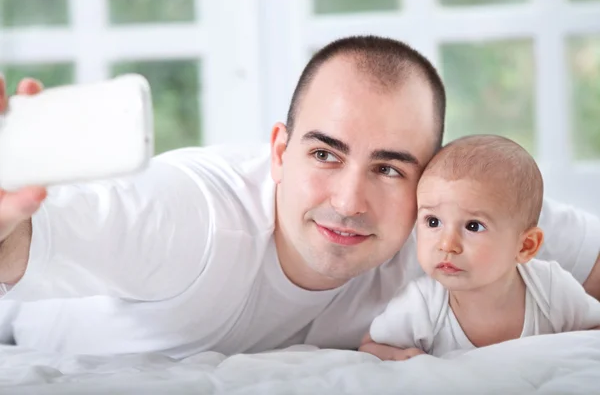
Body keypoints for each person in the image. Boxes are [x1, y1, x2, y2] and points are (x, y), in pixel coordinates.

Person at [0, 36, 598, 358]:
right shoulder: (192, 218)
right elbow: (21, 238)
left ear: (427, 179)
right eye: (324, 154)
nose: (349, 199)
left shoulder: (453, 218)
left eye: (389, 169)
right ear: (279, 152)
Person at [358, 135, 600, 361]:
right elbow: (370, 346)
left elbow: (593, 333)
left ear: (525, 246)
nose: (447, 244)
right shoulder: (422, 304)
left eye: (473, 226)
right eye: (433, 222)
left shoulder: (549, 288)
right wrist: (400, 357)